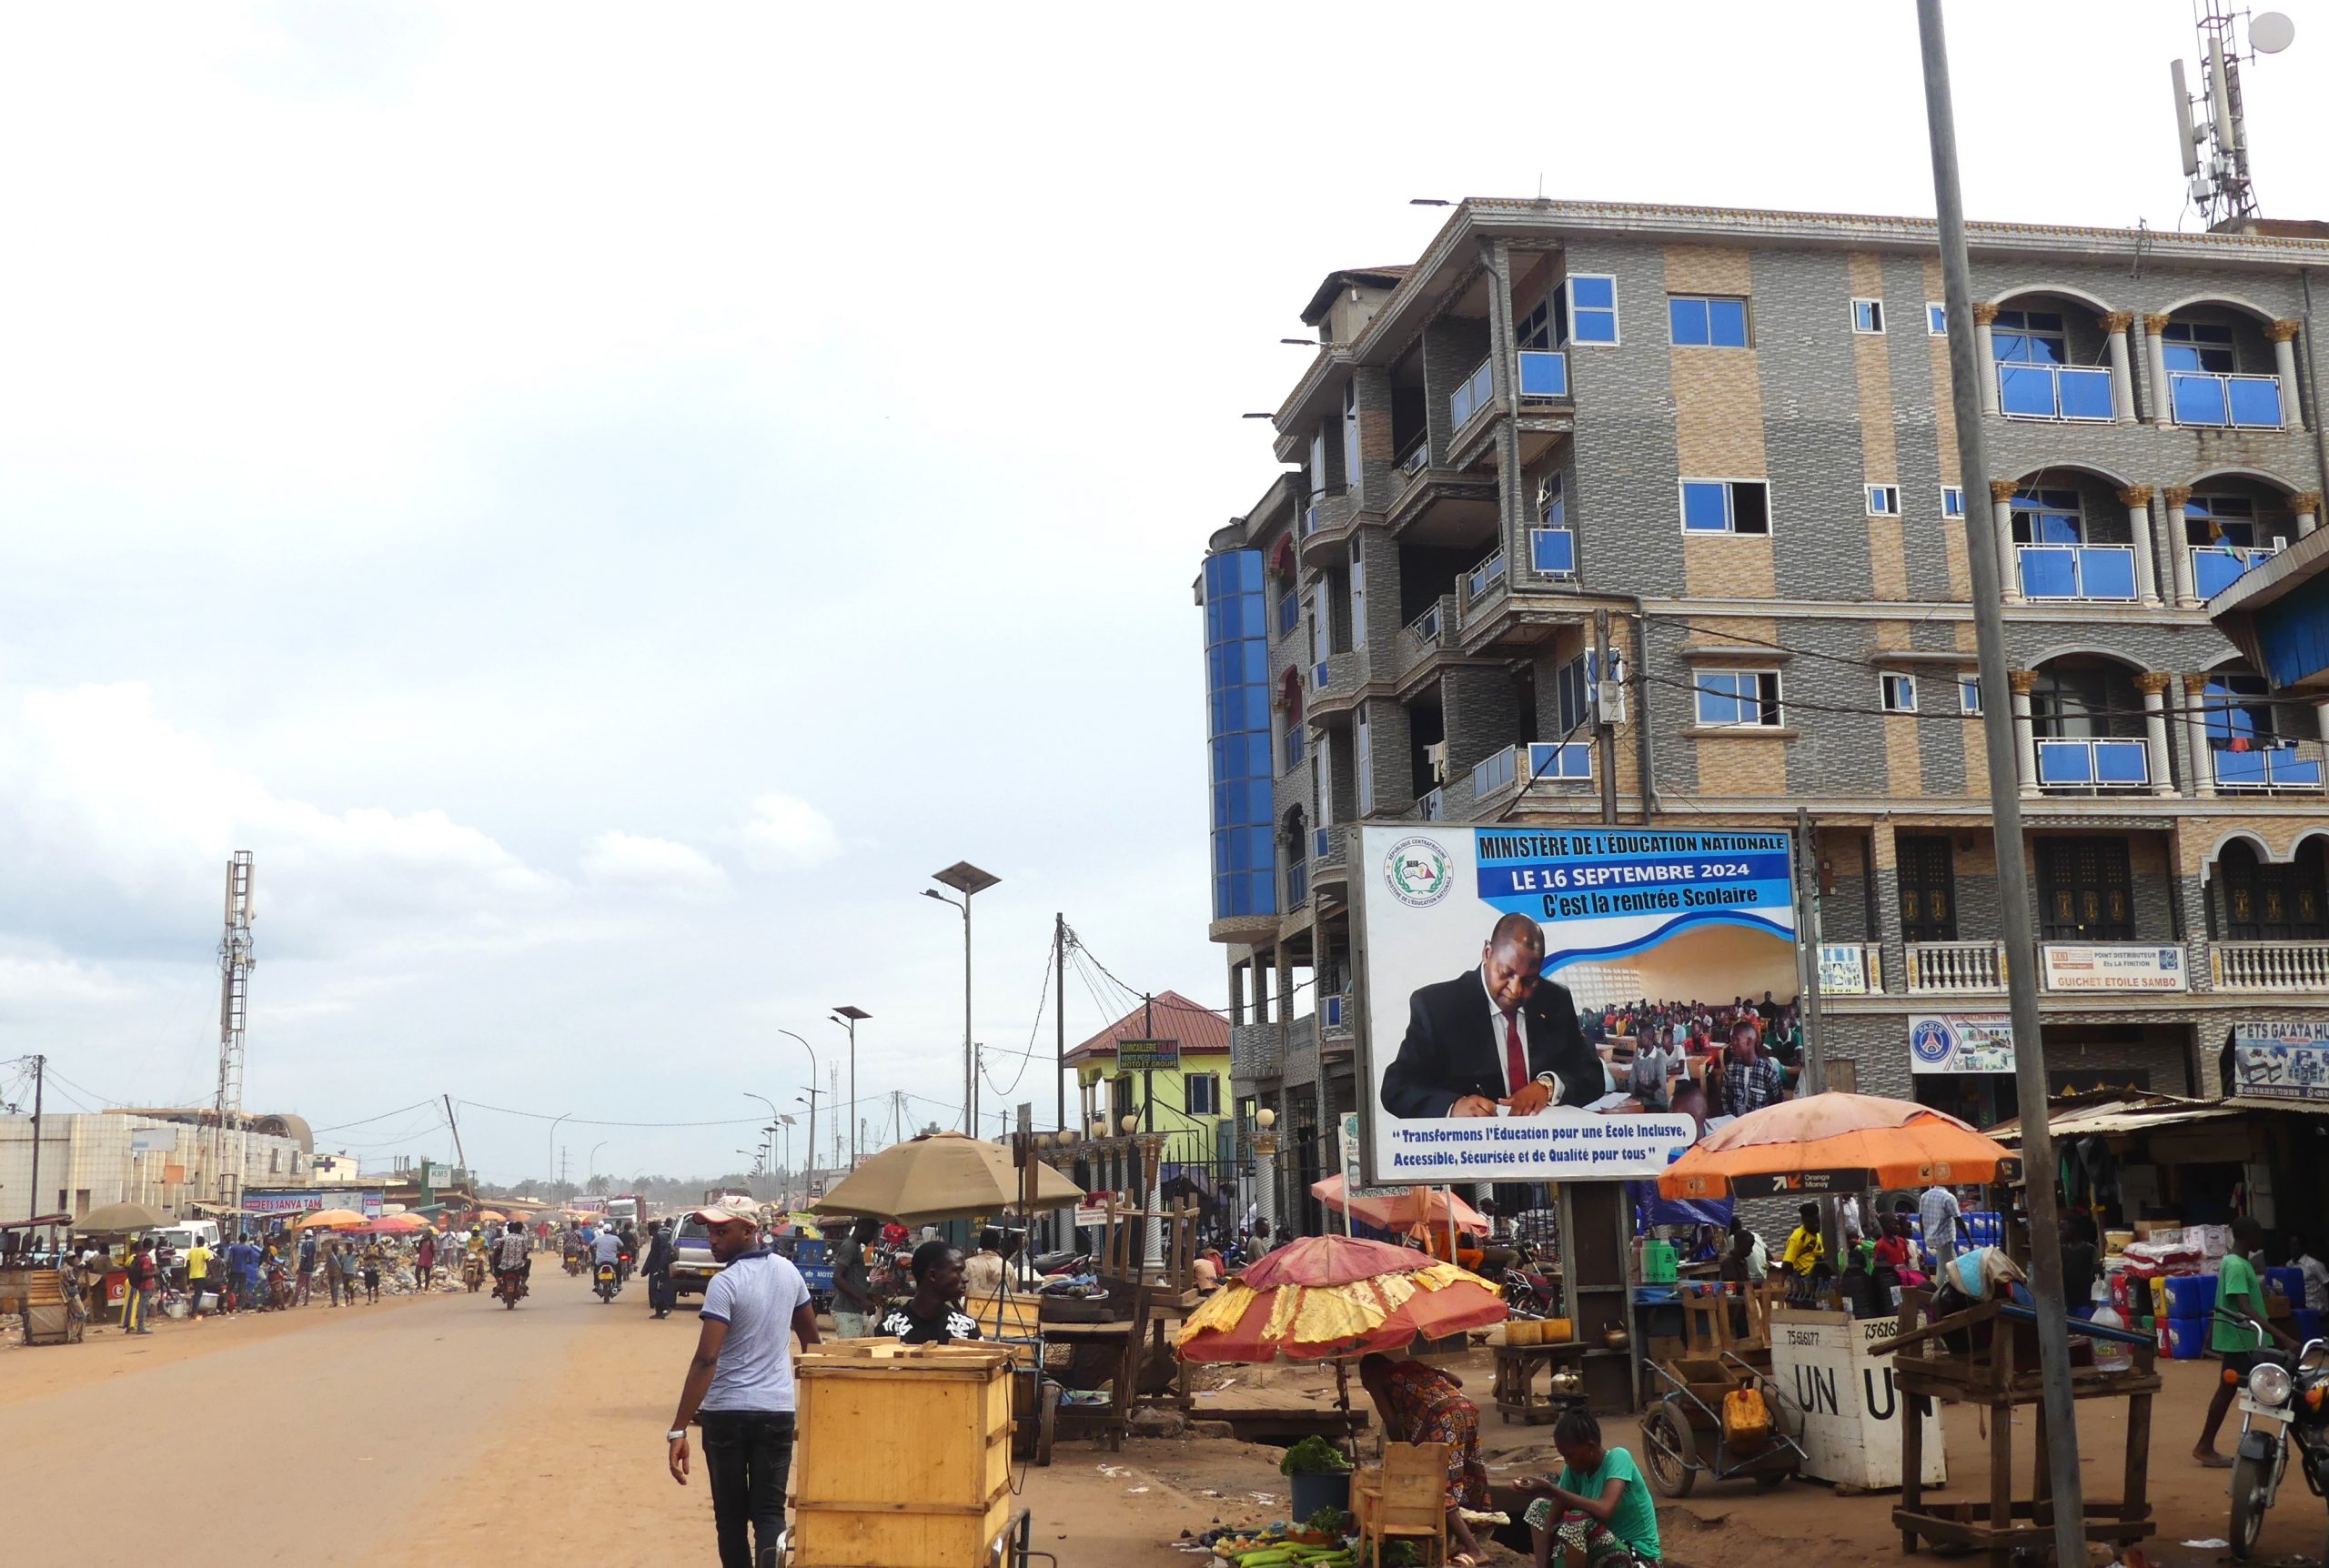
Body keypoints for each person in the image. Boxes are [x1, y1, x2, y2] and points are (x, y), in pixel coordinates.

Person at [667, 1202, 819, 1568]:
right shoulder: (789, 1273)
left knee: (731, 1518)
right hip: (777, 1412)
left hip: (726, 1416)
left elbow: (706, 1359)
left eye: (722, 1232)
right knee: (769, 1515)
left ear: (749, 1231)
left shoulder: (725, 1283)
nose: (713, 1241)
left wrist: (678, 1429)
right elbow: (813, 1345)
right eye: (711, 1233)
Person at [1379, 913, 1604, 1121]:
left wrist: (1548, 1086)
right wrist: (1453, 1107)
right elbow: (1396, 1088)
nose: (1516, 990)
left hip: (1548, 1151)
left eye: (1529, 981)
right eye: (1506, 974)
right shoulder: (1437, 1006)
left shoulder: (1556, 999)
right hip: (1471, 1156)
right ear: (1487, 953)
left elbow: (1592, 1075)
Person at [1356, 1354, 1491, 1567]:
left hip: (1441, 1419)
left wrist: (1402, 1454)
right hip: (1467, 1409)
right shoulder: (1411, 1366)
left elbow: (1390, 1420)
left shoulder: (1374, 1378)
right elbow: (1456, 1381)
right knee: (1464, 1471)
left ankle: (1475, 1549)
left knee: (1436, 1484)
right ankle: (1464, 1537)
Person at [2197, 1216, 2296, 1467]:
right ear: (2249, 1236)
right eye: (2259, 1235)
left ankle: (2205, 1445)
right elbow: (2244, 1306)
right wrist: (2282, 1337)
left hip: (2245, 1340)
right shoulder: (2238, 1266)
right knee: (2282, 1385)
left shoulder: (2237, 1263)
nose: (2261, 1240)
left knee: (2233, 1390)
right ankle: (2205, 1445)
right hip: (2241, 1341)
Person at [1517, 1406, 1659, 1568]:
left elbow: (1605, 1509)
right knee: (1539, 1508)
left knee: (1578, 1520)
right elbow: (1554, 1510)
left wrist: (1550, 1488)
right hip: (1600, 1550)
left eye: (1570, 1455)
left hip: (1637, 1556)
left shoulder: (1618, 1458)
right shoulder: (1574, 1470)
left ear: (1590, 1447)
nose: (1567, 1462)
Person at [879, 1241, 983, 1344]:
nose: (965, 1279)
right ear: (933, 1275)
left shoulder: (967, 1328)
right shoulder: (890, 1329)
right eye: (957, 1271)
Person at [1717, 1018, 1784, 1119]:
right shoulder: (1730, 1069)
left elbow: (1778, 1104)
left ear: (1748, 1041)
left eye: (1735, 1040)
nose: (1731, 1044)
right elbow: (1725, 1099)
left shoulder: (1768, 1072)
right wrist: (1729, 1119)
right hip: (1736, 1123)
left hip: (1761, 1125)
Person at [829, 1217, 877, 1339]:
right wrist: (862, 1301)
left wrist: (869, 1297)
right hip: (846, 1312)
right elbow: (837, 1278)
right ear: (861, 1229)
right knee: (851, 1353)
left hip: (853, 1311)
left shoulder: (855, 1247)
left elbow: (853, 1280)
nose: (872, 1238)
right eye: (871, 1233)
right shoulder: (849, 1246)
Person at [1918, 1181, 1962, 1269]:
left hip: (1932, 1237)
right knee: (1943, 1268)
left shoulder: (1924, 1196)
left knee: (1954, 1266)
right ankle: (1940, 1283)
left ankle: (1957, 1281)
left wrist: (1924, 1237)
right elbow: (1958, 1219)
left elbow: (1921, 1218)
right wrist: (1969, 1239)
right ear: (1949, 1184)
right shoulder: (1948, 1197)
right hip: (1944, 1239)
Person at [643, 1220, 679, 1319]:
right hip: (657, 1266)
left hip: (659, 1267)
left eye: (648, 1229)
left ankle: (664, 1308)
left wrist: (660, 1267)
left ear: (652, 1229)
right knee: (656, 1288)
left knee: (656, 1288)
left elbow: (663, 1253)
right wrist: (645, 1269)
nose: (648, 1231)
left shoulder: (659, 1237)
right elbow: (652, 1254)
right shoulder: (658, 1237)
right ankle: (659, 1311)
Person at [123, 1240, 159, 1335]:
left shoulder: (137, 1257)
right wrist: (155, 1273)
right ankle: (141, 1327)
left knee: (142, 1304)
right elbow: (145, 1273)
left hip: (139, 1284)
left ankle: (139, 1326)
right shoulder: (146, 1258)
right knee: (143, 1305)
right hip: (146, 1284)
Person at [1780, 1203, 1824, 1280]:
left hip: (1818, 1275)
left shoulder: (1817, 1234)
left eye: (1818, 1222)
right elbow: (1787, 1264)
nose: (1817, 1226)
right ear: (1804, 1221)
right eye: (1812, 1223)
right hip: (1804, 1278)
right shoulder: (1797, 1237)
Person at [963, 1229, 1007, 1303]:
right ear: (998, 1244)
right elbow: (1013, 1293)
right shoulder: (1006, 1266)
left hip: (972, 1310)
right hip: (1000, 1311)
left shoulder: (968, 1264)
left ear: (980, 1243)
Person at [2293, 1235, 2329, 1313]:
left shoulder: (2314, 1264)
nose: (2293, 1247)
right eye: (2291, 1244)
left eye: (2296, 1244)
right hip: (2298, 1308)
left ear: (2302, 1246)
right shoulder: (2289, 1265)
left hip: (2316, 1309)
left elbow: (2327, 1283)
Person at [186, 1236, 214, 1315]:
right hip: (200, 1275)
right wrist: (212, 1274)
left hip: (192, 1275)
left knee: (196, 1293)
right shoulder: (204, 1251)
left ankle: (193, 1309)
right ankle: (194, 1312)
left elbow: (187, 1265)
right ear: (203, 1242)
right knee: (198, 1293)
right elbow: (208, 1264)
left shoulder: (192, 1251)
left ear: (197, 1242)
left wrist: (187, 1276)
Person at [295, 1231, 318, 1306]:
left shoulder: (305, 1244)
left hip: (304, 1268)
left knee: (299, 1285)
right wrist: (312, 1265)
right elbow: (314, 1256)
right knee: (308, 1285)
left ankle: (295, 1301)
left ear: (306, 1236)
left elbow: (303, 1257)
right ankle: (306, 1301)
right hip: (310, 1268)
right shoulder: (314, 1244)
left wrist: (300, 1267)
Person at [360, 1239, 384, 1304]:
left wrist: (376, 1256)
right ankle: (369, 1298)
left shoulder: (379, 1246)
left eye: (374, 1237)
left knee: (376, 1282)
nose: (373, 1239)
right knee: (368, 1283)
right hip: (368, 1267)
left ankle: (377, 1294)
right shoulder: (367, 1247)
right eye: (372, 1237)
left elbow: (383, 1255)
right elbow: (364, 1257)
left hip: (376, 1267)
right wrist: (369, 1256)